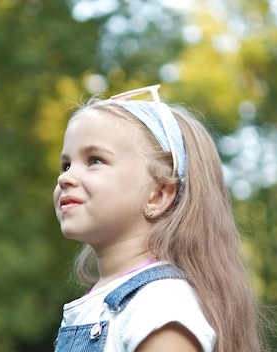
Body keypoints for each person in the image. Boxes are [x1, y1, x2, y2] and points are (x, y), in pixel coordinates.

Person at [53, 84, 265, 352]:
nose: (64, 177)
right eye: (66, 164)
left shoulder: (160, 304)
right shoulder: (106, 301)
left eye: (95, 160)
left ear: (157, 195)